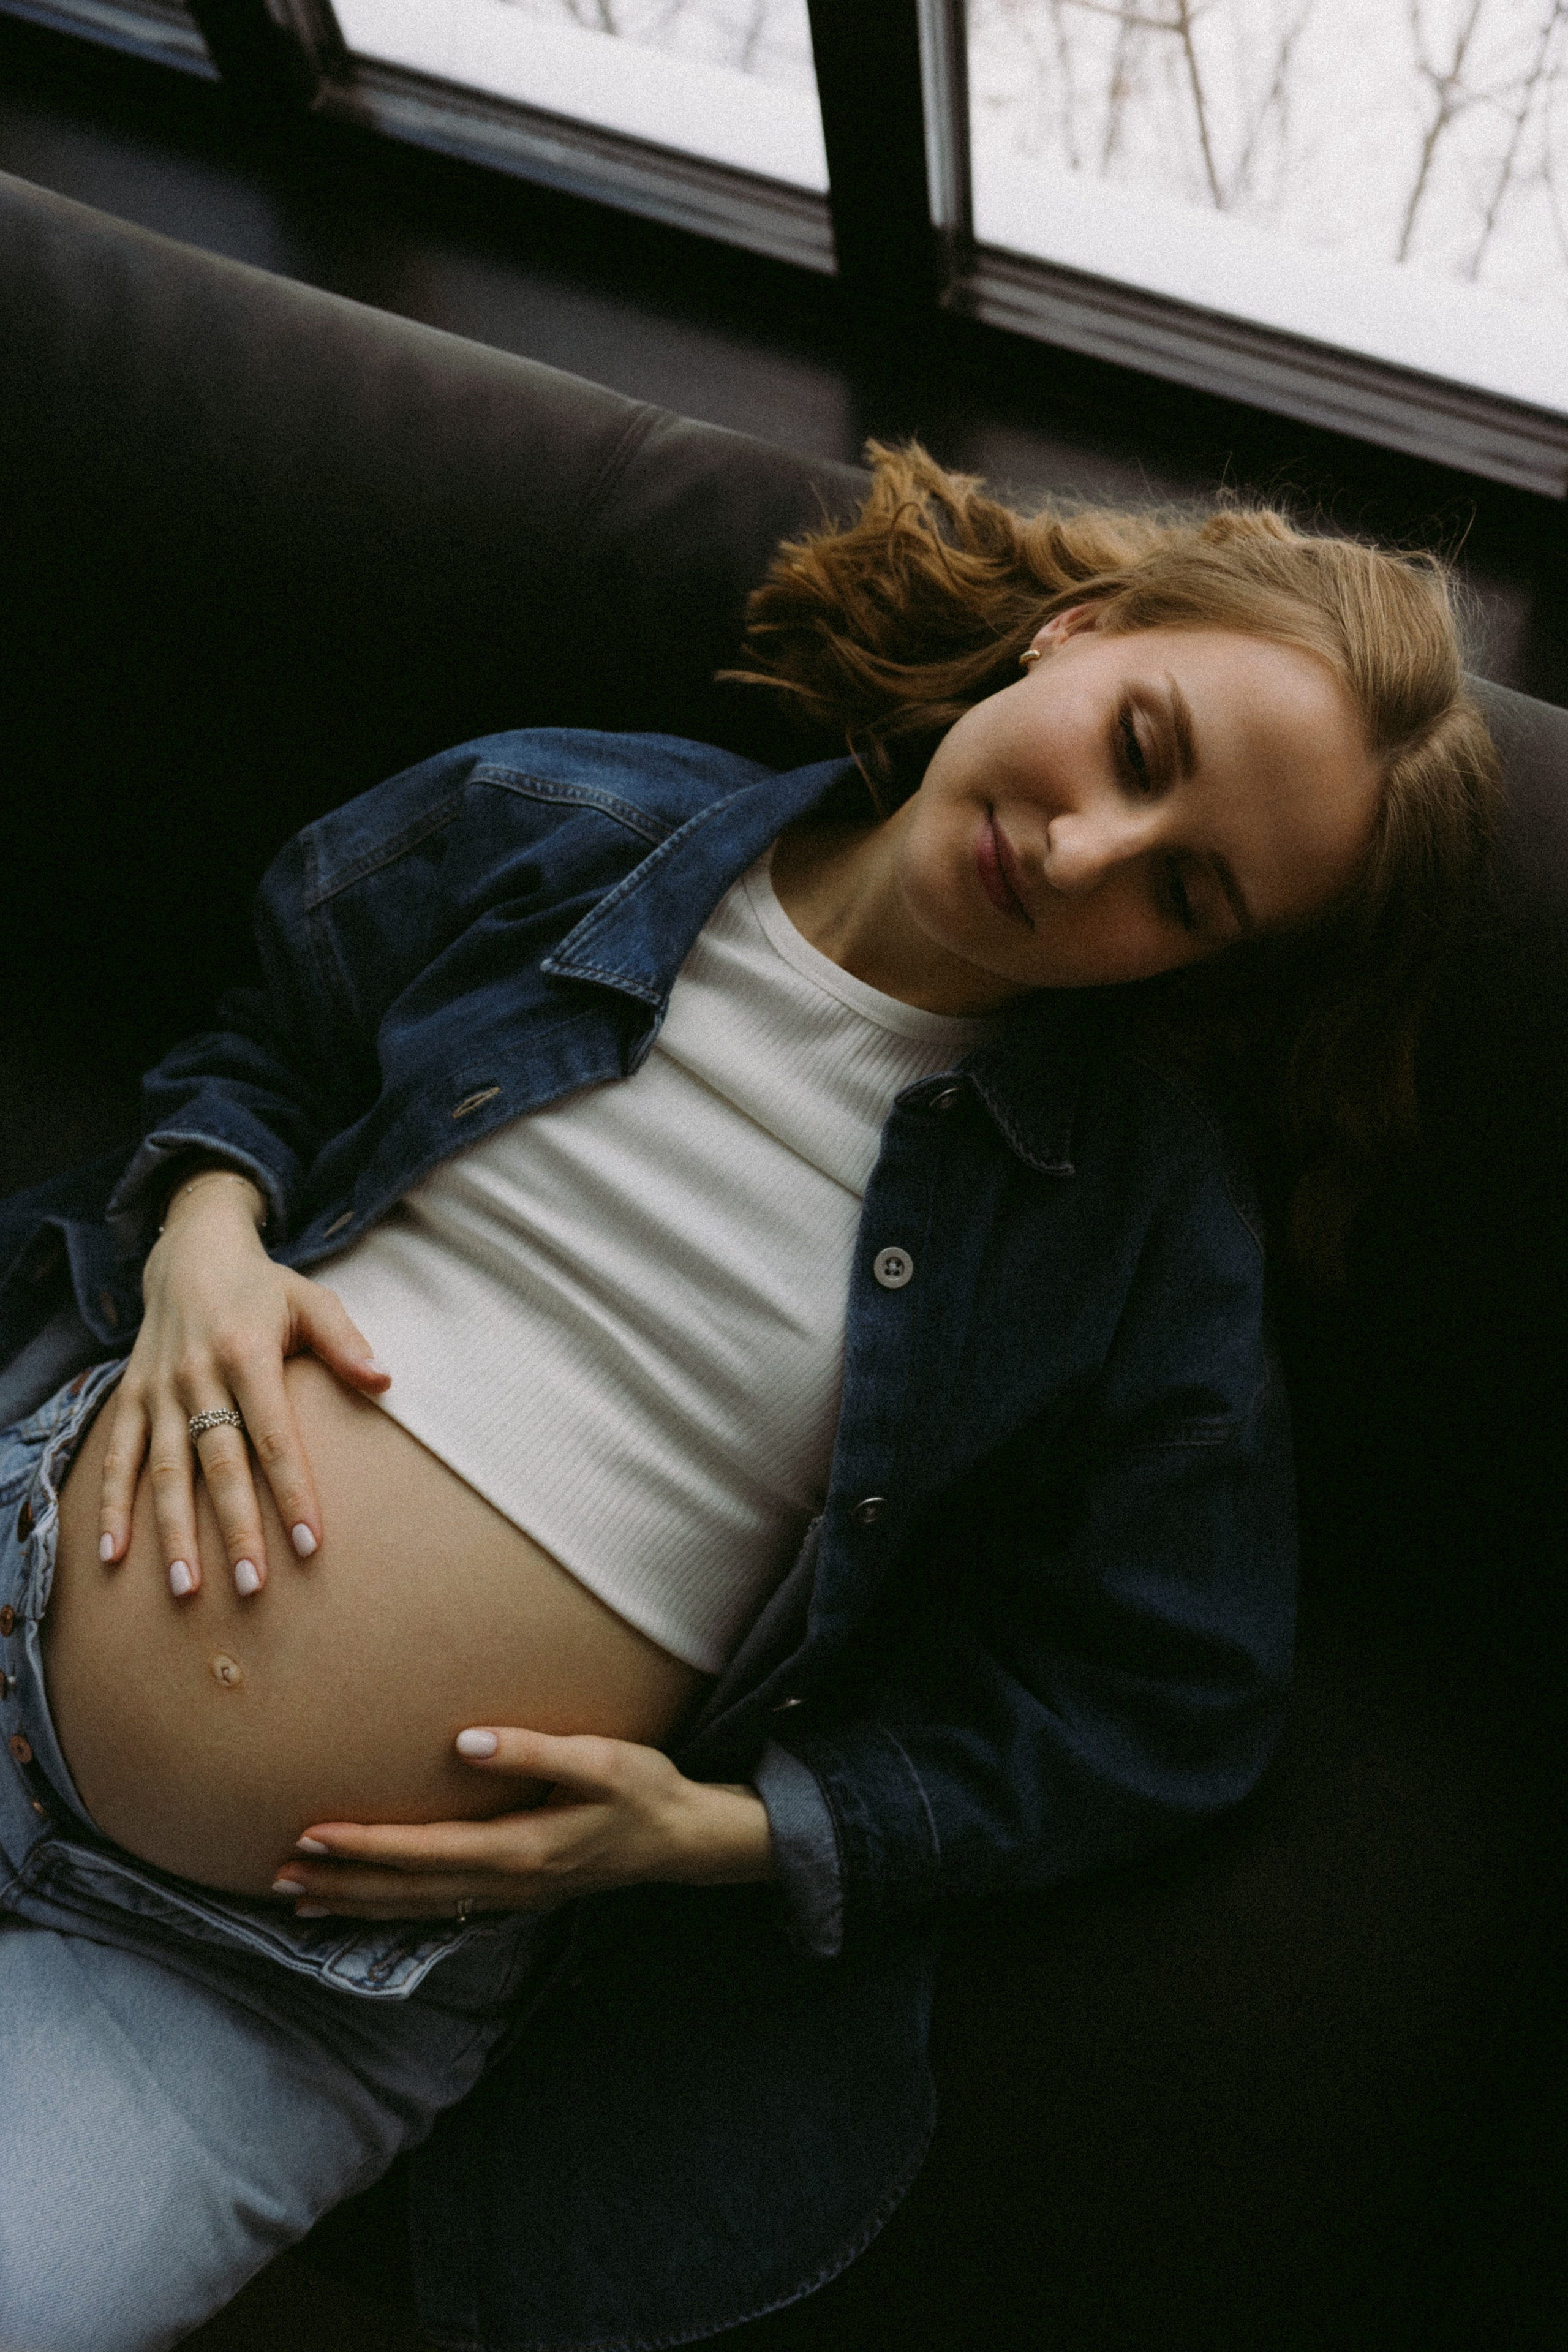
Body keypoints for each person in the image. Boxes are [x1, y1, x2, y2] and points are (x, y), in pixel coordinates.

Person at [0, 448, 1499, 2352]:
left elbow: (1169, 1692)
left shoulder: (1132, 1223)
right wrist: (205, 1227)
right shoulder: (574, 815)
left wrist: (737, 1833)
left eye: (1187, 896)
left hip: (282, 1992)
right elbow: (269, 1032)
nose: (1090, 856)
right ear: (1082, 630)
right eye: (1137, 747)